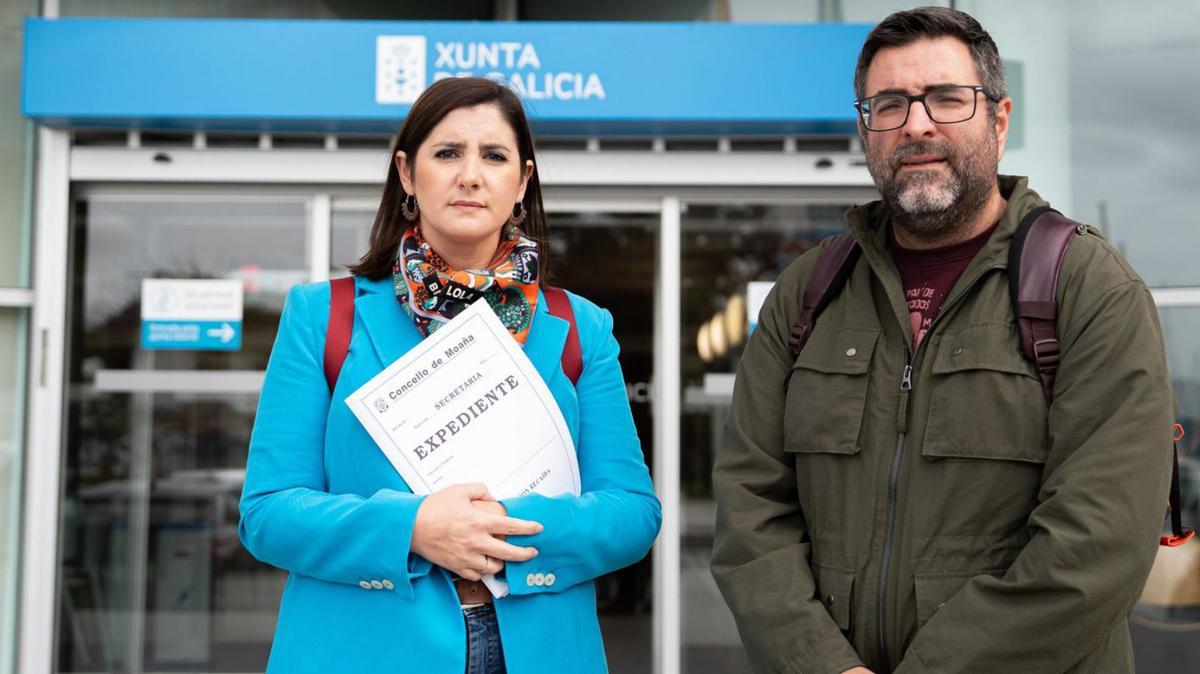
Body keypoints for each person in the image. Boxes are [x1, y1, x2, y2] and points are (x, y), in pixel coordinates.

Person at [711, 7, 1173, 673]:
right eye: (889, 104)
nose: (917, 123)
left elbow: (1097, 544)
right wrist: (820, 664)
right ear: (866, 129)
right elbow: (750, 511)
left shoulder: (1087, 287)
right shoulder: (809, 292)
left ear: (1000, 119)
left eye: (947, 99)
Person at [239, 77, 661, 674]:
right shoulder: (321, 316)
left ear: (523, 181)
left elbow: (632, 512)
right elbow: (268, 512)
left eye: (494, 156)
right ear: (408, 175)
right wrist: (411, 527)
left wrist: (500, 533)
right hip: (362, 649)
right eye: (447, 153)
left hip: (537, 648)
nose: (470, 174)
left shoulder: (579, 327)